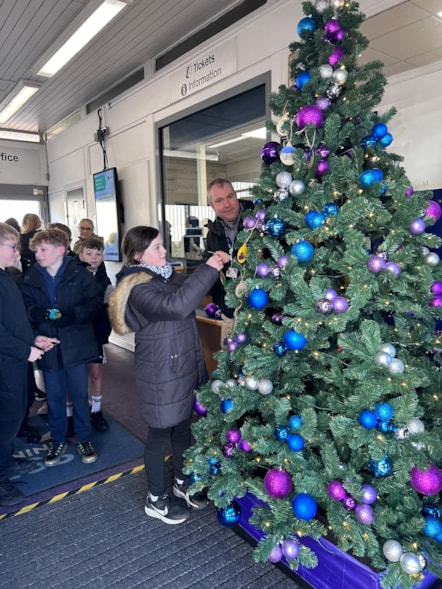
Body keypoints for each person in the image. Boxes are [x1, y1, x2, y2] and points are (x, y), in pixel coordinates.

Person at [108, 226, 229, 525]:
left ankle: (182, 482)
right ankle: (155, 498)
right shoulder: (137, 287)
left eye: (163, 245)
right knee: (160, 432)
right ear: (137, 255)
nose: (165, 251)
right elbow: (176, 306)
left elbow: (189, 295)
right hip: (160, 373)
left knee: (182, 428)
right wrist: (208, 269)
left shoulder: (167, 277)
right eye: (157, 247)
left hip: (182, 367)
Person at [21, 228, 103, 467]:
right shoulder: (31, 277)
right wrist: (36, 315)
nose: (38, 254)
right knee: (55, 396)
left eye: (43, 249)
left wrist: (74, 315)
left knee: (79, 395)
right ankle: (58, 438)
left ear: (60, 250)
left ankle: (84, 437)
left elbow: (96, 303)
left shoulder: (80, 274)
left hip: (75, 343)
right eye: (36, 250)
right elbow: (24, 307)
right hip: (48, 344)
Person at [0, 223, 58, 506]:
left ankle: (6, 465)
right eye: (13, 247)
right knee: (5, 421)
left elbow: (13, 323)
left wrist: (35, 339)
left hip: (16, 360)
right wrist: (26, 351)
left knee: (13, 417)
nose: (17, 253)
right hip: (6, 364)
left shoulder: (5, 278)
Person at [204, 178, 254, 340]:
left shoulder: (257, 222)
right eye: (219, 200)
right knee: (230, 362)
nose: (227, 204)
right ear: (212, 205)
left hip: (259, 313)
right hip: (229, 316)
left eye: (230, 197)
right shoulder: (212, 234)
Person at [77, 237, 113, 432]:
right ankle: (74, 412)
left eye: (98, 254)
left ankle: (96, 411)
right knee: (75, 376)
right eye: (89, 254)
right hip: (75, 335)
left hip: (95, 335)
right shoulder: (71, 276)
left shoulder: (105, 280)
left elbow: (107, 310)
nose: (93, 258)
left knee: (96, 372)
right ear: (80, 254)